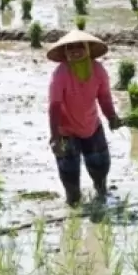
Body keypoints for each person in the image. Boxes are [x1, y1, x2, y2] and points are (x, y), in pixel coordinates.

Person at [46, 30, 123, 207]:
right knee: (70, 175)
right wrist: (55, 137)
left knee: (100, 168)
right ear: (65, 52)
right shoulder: (61, 74)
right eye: (70, 48)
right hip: (66, 131)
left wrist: (111, 116)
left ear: (88, 49)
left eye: (79, 46)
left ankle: (101, 196)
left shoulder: (98, 70)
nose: (75, 51)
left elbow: (104, 97)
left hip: (91, 126)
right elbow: (54, 106)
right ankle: (73, 205)